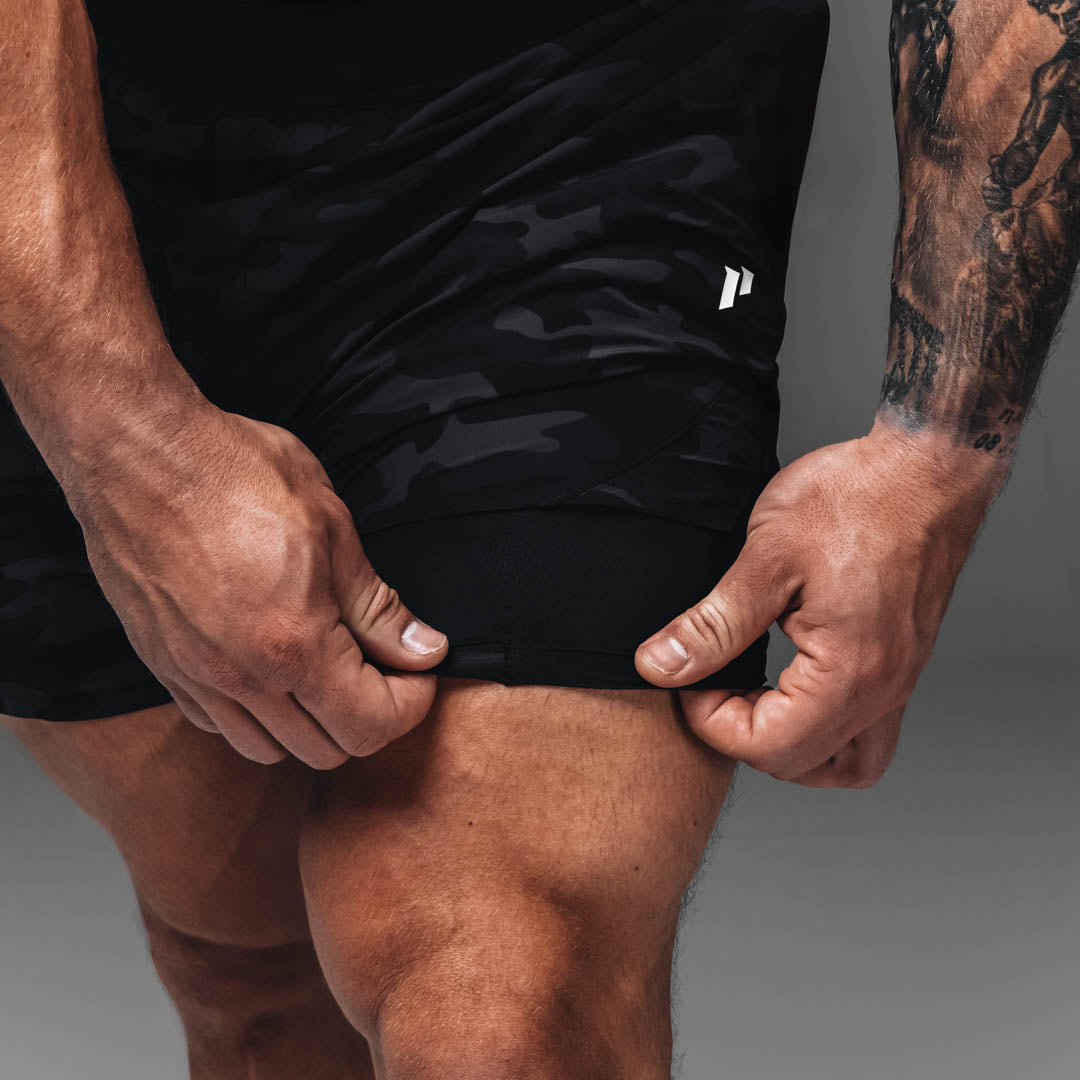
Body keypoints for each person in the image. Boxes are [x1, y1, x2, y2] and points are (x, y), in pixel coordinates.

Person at [0, 0, 1071, 1076]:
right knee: (251, 977)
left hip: (581, 116)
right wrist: (120, 432)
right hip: (83, 130)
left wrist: (940, 446)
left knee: (503, 1008)